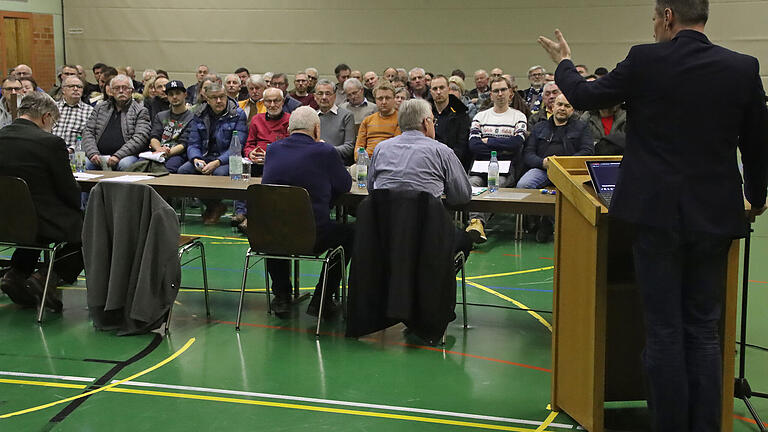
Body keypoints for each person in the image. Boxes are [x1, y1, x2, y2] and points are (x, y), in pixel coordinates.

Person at [538, 1, 768, 429]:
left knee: (663, 330)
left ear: (666, 17)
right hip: (714, 216)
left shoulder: (645, 59)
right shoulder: (742, 67)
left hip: (655, 215)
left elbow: (587, 95)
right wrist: (756, 195)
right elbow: (757, 139)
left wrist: (564, 62)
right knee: (703, 330)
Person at [261, 106, 353, 317]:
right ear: (316, 130)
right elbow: (345, 184)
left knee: (277, 224)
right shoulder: (325, 151)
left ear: (289, 129)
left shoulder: (273, 149)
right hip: (312, 235)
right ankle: (322, 299)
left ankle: (282, 295)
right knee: (349, 234)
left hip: (269, 236)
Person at [0, 92, 83, 312]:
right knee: (91, 229)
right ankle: (48, 277)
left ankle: (15, 274)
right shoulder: (50, 143)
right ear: (46, 117)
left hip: (5, 221)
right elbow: (68, 190)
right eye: (53, 122)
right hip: (40, 220)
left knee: (30, 225)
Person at [368, 98, 481, 257]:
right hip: (427, 235)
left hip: (385, 233)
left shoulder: (380, 149)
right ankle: (438, 280)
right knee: (463, 240)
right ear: (427, 122)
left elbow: (371, 189)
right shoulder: (442, 151)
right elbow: (461, 196)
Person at [517, 93, 594, 242]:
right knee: (524, 184)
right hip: (543, 168)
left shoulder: (582, 127)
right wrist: (542, 162)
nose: (562, 109)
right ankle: (538, 221)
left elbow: (587, 151)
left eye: (567, 106)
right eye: (559, 105)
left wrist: (565, 163)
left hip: (568, 171)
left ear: (572, 110)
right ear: (552, 107)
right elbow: (528, 153)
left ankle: (552, 224)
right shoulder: (539, 127)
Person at [466, 77, 528, 243]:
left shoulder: (518, 116)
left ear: (510, 93)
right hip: (480, 165)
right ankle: (476, 223)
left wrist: (489, 141)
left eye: (503, 90)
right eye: (496, 91)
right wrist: (502, 146)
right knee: (472, 184)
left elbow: (516, 143)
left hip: (506, 168)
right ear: (491, 95)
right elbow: (473, 145)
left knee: (496, 184)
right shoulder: (480, 116)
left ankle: (476, 223)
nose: (500, 94)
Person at [178, 82, 248, 224]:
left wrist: (217, 163)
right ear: (207, 99)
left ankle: (214, 207)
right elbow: (193, 143)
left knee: (218, 174)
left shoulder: (237, 114)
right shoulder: (198, 113)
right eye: (214, 98)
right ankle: (214, 206)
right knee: (183, 171)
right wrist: (196, 159)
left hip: (228, 159)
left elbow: (237, 147)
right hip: (205, 156)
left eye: (222, 97)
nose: (219, 101)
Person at [232, 87, 291, 231]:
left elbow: (291, 148)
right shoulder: (257, 119)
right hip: (256, 161)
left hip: (278, 163)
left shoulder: (290, 120)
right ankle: (241, 212)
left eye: (276, 101)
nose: (272, 105)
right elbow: (249, 145)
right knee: (240, 169)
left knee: (267, 178)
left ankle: (252, 218)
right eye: (268, 101)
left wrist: (270, 156)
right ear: (263, 102)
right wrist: (250, 153)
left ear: (282, 102)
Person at [82, 75, 150, 171]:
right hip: (99, 155)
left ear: (131, 90)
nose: (121, 91)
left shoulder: (140, 111)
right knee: (84, 163)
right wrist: (93, 153)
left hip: (126, 156)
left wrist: (118, 156)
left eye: (125, 88)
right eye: (117, 88)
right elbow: (88, 132)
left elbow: (140, 137)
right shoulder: (100, 108)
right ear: (111, 91)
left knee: (125, 164)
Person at [147, 80, 193, 173]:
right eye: (171, 94)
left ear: (185, 94)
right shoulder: (160, 116)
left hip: (177, 154)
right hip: (158, 152)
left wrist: (167, 153)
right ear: (167, 97)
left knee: (168, 170)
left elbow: (184, 144)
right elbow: (154, 136)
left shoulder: (192, 117)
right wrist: (159, 149)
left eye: (178, 93)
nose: (174, 97)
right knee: (140, 166)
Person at [429, 75, 471, 170]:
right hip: (429, 164)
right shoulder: (426, 113)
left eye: (442, 88)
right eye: (435, 89)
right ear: (431, 92)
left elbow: (461, 146)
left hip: (452, 165)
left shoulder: (461, 114)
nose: (438, 92)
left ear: (448, 89)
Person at [354, 81, 401, 160]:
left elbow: (396, 147)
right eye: (380, 98)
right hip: (366, 161)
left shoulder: (401, 119)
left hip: (389, 160)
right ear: (375, 100)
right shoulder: (367, 120)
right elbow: (359, 146)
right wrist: (360, 158)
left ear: (394, 99)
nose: (384, 102)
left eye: (388, 98)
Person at [314, 79, 355, 164]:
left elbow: (349, 148)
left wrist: (326, 149)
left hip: (337, 164)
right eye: (320, 93)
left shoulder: (346, 116)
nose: (324, 97)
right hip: (314, 163)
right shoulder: (312, 117)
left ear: (334, 96)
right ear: (315, 96)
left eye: (328, 93)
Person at [51, 75, 94, 152]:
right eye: (71, 86)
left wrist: (72, 149)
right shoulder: (52, 108)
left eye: (79, 87)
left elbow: (89, 138)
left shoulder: (90, 111)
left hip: (75, 153)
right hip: (50, 149)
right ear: (63, 90)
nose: (75, 89)